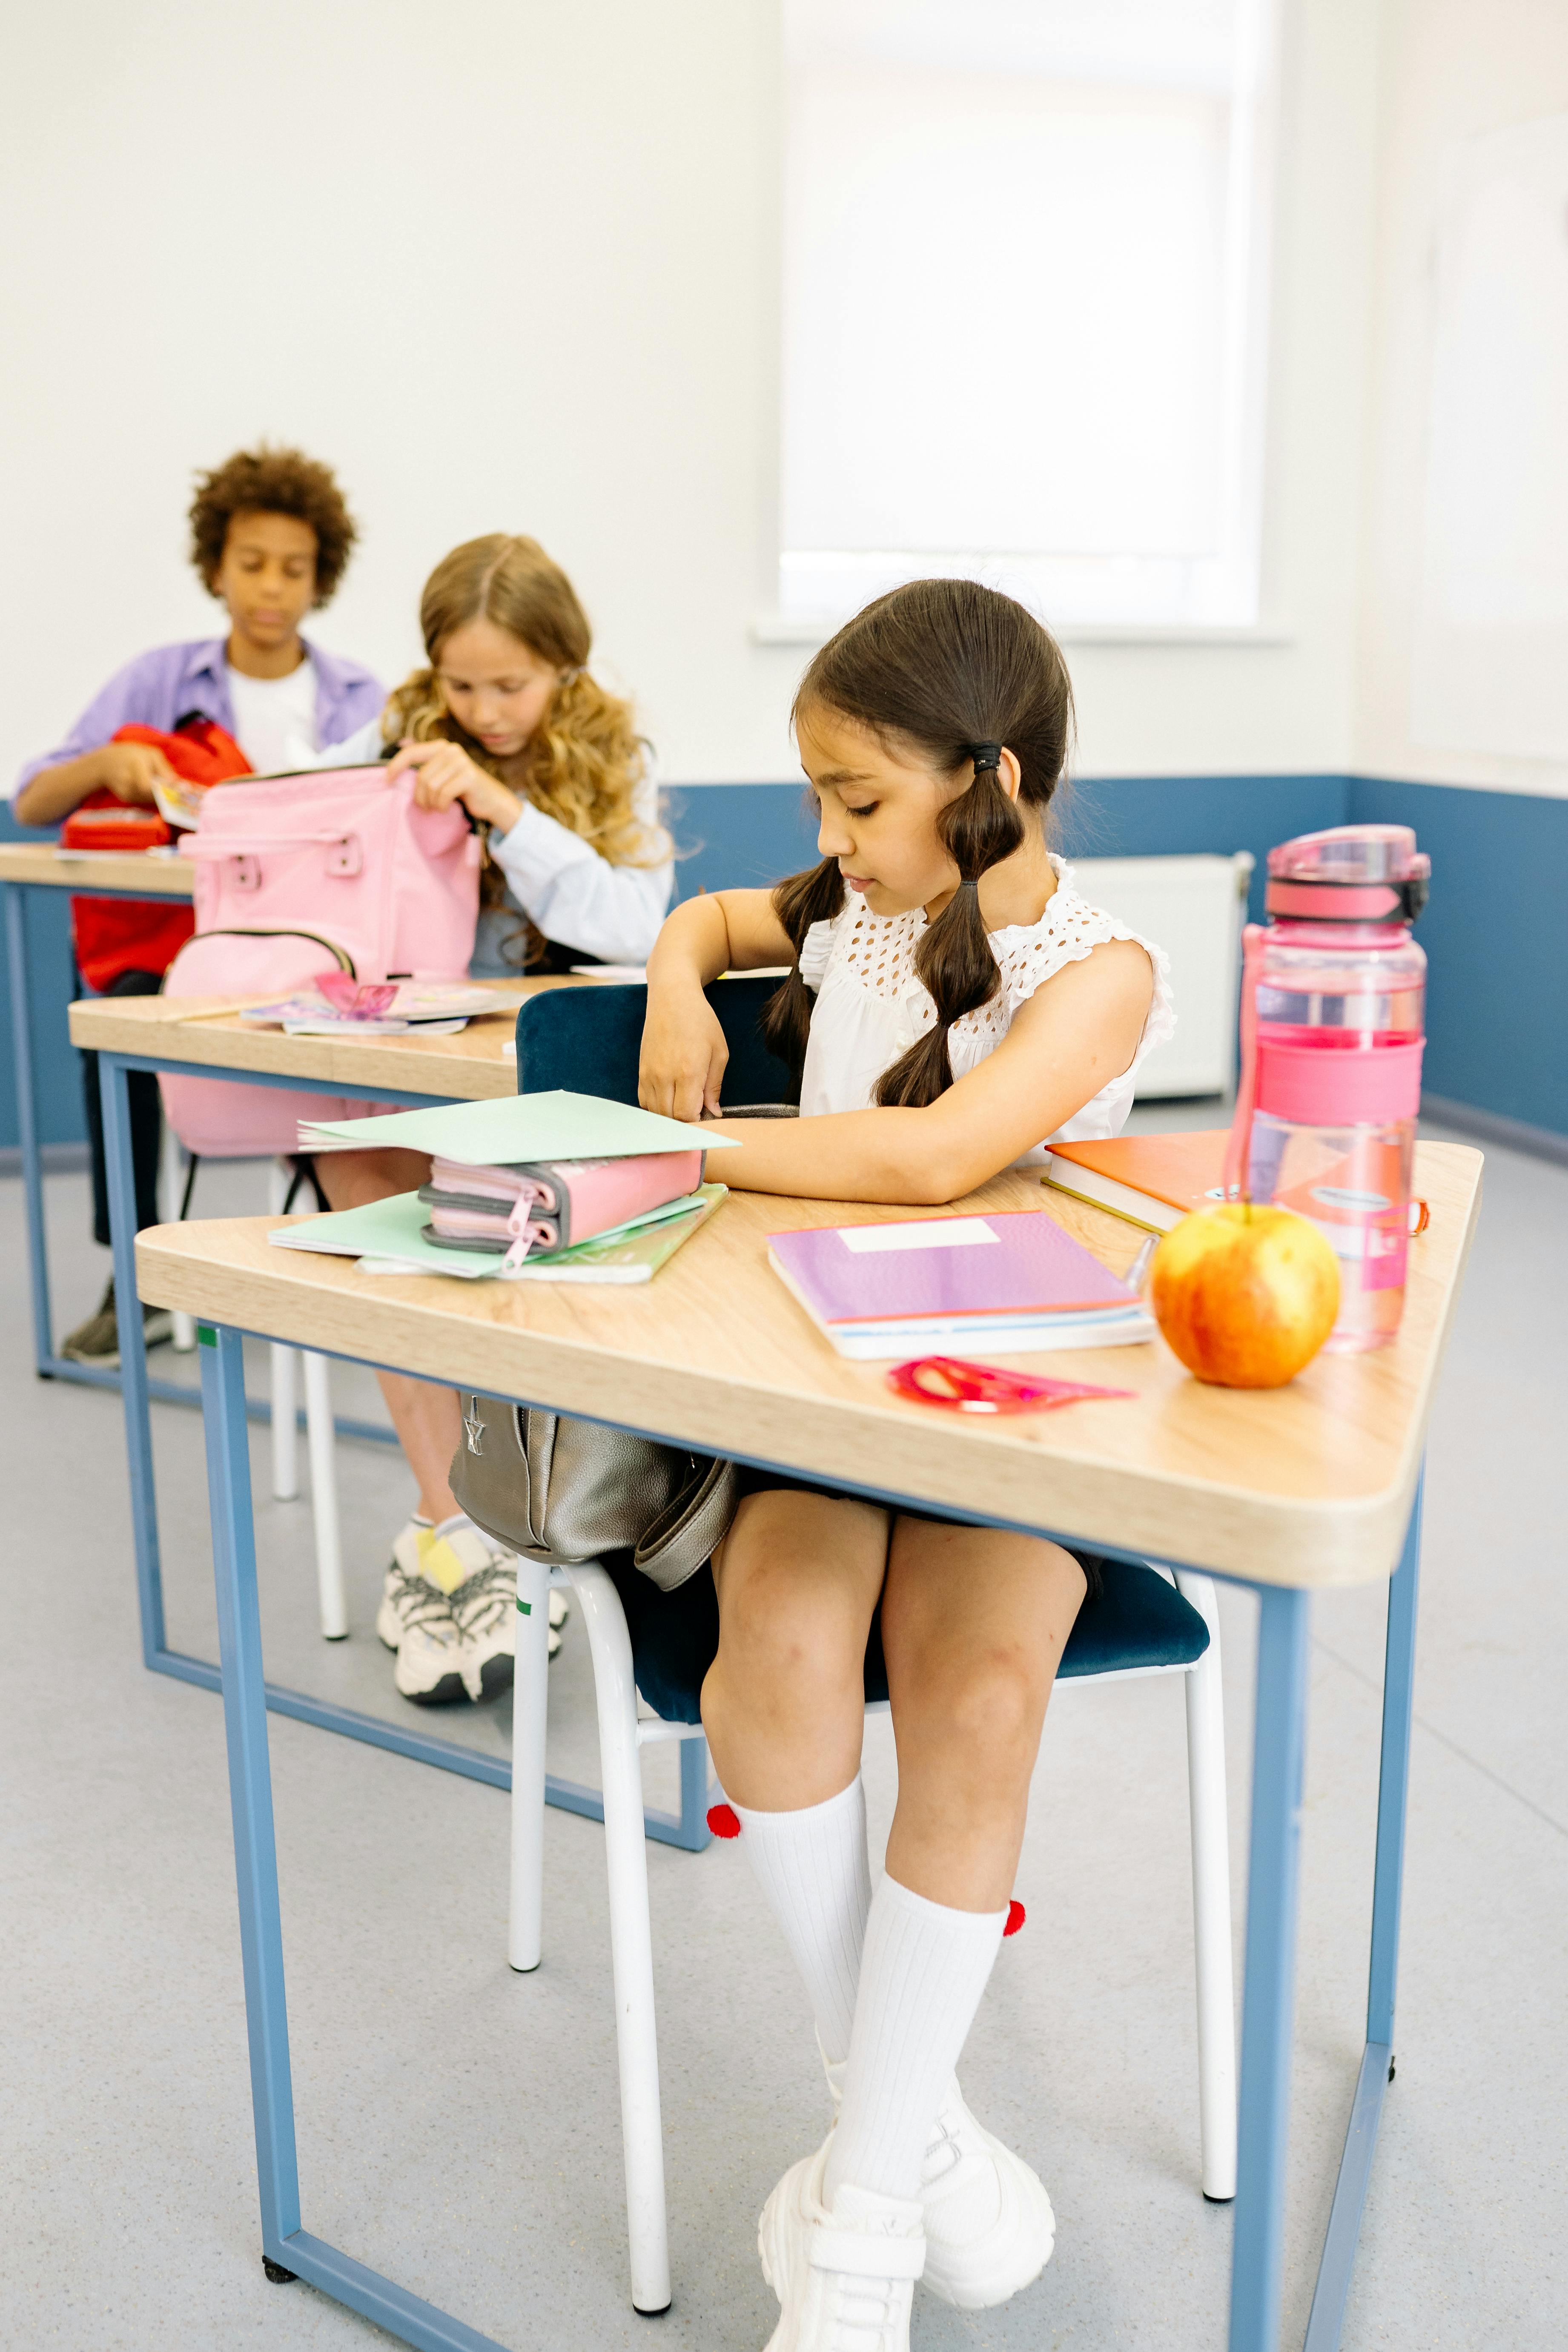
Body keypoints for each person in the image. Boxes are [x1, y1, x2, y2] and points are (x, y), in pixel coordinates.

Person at [636, 578, 1174, 2351]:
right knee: (776, 1645)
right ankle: (907, 2128)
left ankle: (858, 2228)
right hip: (816, 1407)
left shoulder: (1103, 972)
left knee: (986, 1686)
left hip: (1004, 1417)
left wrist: (691, 1164)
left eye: (857, 800)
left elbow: (940, 1161)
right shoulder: (846, 914)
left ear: (987, 778)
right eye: (817, 799)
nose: (829, 838)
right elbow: (713, 910)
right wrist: (675, 986)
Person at [308, 534, 673, 1707]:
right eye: (461, 685)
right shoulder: (399, 742)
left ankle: (517, 1521)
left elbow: (633, 925)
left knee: (487, 1194)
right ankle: (452, 1519)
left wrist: (506, 812)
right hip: (427, 1061)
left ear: (563, 666)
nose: (483, 709)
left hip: (553, 1076)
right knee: (360, 1159)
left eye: (509, 685)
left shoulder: (616, 755)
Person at [12, 446, 382, 1367]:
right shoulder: (154, 680)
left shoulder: (359, 698)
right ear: (215, 566)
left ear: (319, 578)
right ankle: (135, 1278)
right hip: (168, 946)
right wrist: (107, 766)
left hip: (303, 954)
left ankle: (355, 1245)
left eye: (293, 569)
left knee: (353, 1046)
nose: (271, 586)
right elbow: (31, 804)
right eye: (252, 562)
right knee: (121, 1025)